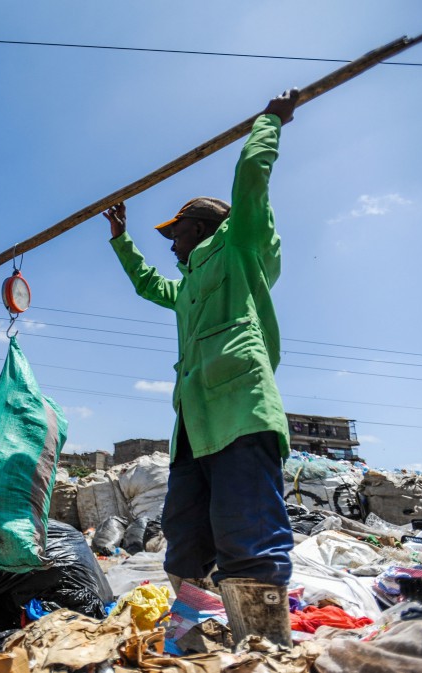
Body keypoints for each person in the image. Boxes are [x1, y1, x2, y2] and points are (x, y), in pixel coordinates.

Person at [104, 89, 300, 647]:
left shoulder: (237, 248)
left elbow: (250, 185)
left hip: (239, 410)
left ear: (202, 227)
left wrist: (269, 123)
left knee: (248, 533)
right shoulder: (190, 284)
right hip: (193, 427)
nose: (171, 245)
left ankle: (264, 647)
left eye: (176, 234)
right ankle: (192, 640)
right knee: (186, 536)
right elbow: (149, 285)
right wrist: (123, 242)